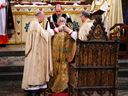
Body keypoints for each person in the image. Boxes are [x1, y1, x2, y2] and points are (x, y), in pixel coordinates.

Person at [22, 10, 53, 96]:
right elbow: (44, 36)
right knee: (35, 70)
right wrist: (53, 32)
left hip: (35, 52)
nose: (44, 18)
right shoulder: (35, 24)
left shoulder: (34, 23)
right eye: (43, 16)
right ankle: (34, 90)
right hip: (35, 53)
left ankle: (36, 90)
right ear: (39, 16)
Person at [48, 16, 77, 94]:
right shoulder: (53, 31)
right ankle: (54, 86)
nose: (61, 24)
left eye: (63, 22)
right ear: (57, 23)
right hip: (55, 57)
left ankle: (64, 87)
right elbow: (47, 37)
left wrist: (69, 31)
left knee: (64, 72)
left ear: (65, 23)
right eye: (60, 22)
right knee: (56, 71)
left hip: (64, 57)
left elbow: (76, 38)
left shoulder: (69, 32)